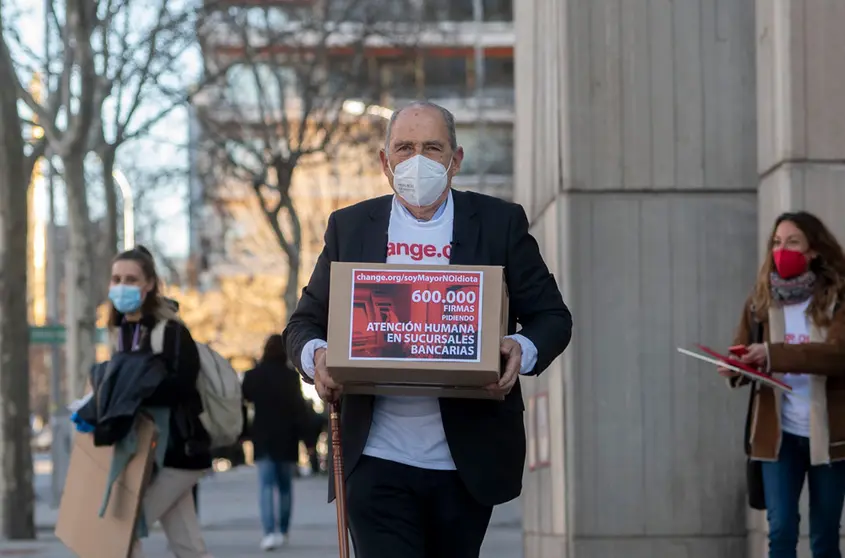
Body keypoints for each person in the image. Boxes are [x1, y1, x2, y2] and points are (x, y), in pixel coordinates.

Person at [283, 101, 572, 557]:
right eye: (404, 147)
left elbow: (552, 318)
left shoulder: (499, 224)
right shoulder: (351, 227)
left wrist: (520, 347)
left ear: (456, 160)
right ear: (385, 162)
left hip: (465, 463)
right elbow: (302, 325)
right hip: (375, 460)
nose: (417, 159)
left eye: (432, 148)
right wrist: (317, 357)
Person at [720, 211, 845, 558]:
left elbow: (836, 355)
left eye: (792, 242)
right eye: (776, 243)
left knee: (824, 538)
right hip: (777, 437)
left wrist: (773, 354)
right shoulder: (760, 301)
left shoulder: (837, 298)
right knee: (780, 532)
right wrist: (736, 368)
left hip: (830, 437)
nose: (781, 250)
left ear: (814, 251)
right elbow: (745, 352)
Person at [109, 246, 213, 558]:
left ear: (150, 284)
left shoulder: (172, 332)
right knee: (187, 544)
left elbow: (182, 386)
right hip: (153, 455)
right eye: (116, 279)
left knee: (124, 531)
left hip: (179, 452)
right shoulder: (121, 333)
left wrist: (128, 390)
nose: (122, 286)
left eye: (131, 279)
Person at [242, 334, 307, 551]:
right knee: (286, 487)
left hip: (263, 436)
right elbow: (299, 409)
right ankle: (284, 530)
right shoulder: (290, 377)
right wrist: (306, 439)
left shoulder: (254, 375)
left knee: (266, 486)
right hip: (287, 438)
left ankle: (269, 532)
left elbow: (245, 398)